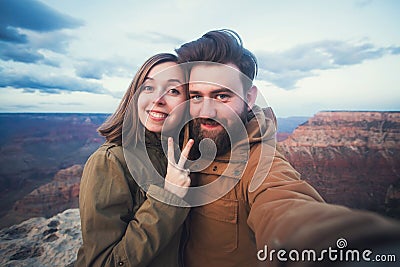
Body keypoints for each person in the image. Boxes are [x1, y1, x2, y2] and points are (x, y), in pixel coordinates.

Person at [175, 30, 400, 267]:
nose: (207, 112)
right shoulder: (177, 145)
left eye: (222, 96)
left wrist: (354, 249)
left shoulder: (260, 161)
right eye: (196, 96)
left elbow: (285, 204)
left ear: (249, 98)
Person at [76, 53, 194, 267]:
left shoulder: (180, 154)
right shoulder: (109, 161)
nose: (158, 99)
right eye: (148, 87)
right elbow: (103, 263)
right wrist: (168, 198)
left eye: (174, 91)